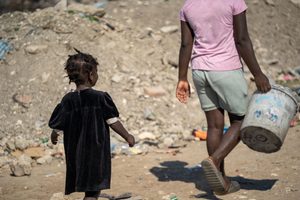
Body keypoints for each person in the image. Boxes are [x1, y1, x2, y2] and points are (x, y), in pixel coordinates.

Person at [176, 0, 271, 196]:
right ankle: (215, 160)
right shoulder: (234, 1)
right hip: (226, 69)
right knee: (242, 120)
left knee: (214, 126)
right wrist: (258, 74)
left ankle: (221, 180)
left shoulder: (188, 7)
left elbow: (186, 44)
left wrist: (182, 78)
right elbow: (242, 40)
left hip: (200, 70)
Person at [49, 49, 135, 200]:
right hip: (95, 152)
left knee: (84, 184)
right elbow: (112, 121)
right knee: (93, 190)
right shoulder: (100, 98)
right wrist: (127, 136)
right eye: (96, 72)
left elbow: (58, 123)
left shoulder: (68, 100)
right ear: (91, 75)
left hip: (75, 152)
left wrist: (54, 134)